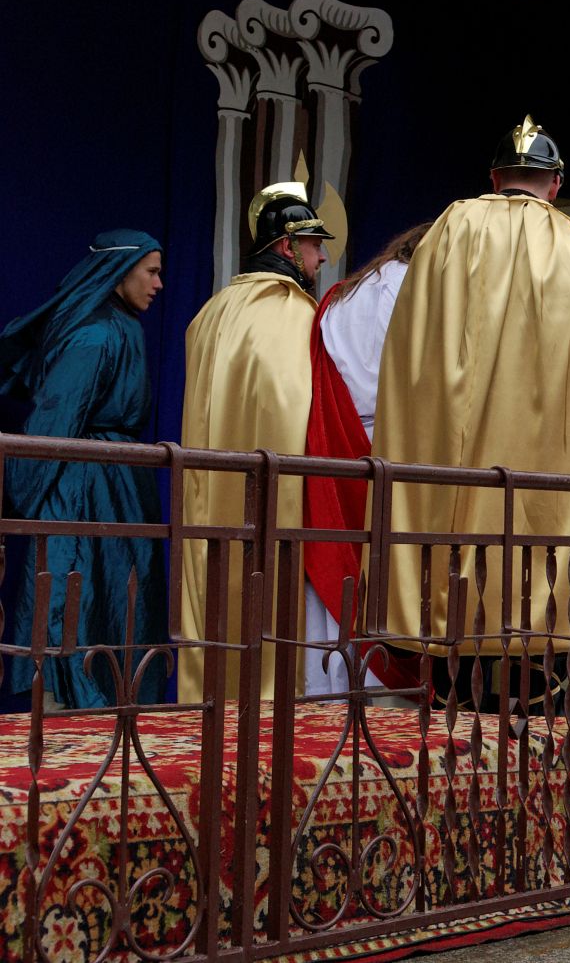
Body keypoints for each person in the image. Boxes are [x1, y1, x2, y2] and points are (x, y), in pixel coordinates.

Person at [372, 116, 570, 711]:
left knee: (454, 627)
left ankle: (449, 727)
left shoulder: (449, 230)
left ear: (495, 177)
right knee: (533, 624)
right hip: (534, 483)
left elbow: (409, 344)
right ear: (556, 184)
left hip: (454, 471)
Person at [0, 230, 169, 708]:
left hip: (113, 483)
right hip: (84, 485)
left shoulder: (118, 326)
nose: (158, 284)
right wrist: (23, 491)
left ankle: (107, 709)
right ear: (119, 272)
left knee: (112, 595)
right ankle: (70, 710)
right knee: (74, 591)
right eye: (151, 272)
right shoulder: (95, 335)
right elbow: (55, 422)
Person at [178, 183, 332, 702]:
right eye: (314, 245)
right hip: (269, 505)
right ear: (288, 247)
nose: (322, 257)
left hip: (206, 504)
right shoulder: (294, 314)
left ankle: (205, 708)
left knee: (212, 597)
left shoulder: (211, 311)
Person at [302, 221, 429, 696]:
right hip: (389, 448)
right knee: (380, 585)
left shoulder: (347, 293)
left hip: (337, 441)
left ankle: (326, 692)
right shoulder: (415, 289)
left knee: (336, 579)